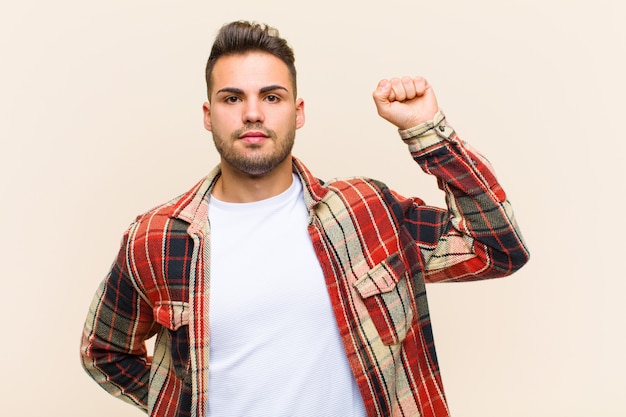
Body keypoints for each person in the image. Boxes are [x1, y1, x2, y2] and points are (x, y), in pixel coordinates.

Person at [80, 20, 529, 417]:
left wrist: (426, 130)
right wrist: (178, 404)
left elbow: (498, 249)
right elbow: (104, 350)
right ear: (208, 115)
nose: (252, 112)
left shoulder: (365, 211)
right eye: (232, 97)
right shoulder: (157, 239)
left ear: (298, 112)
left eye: (271, 97)